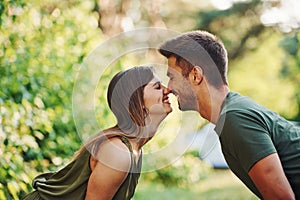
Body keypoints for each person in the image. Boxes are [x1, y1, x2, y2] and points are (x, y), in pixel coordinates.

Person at [158, 30, 300, 199]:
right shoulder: (231, 114)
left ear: (195, 75)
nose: (168, 87)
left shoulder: (235, 119)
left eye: (172, 77)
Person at [22, 66, 172, 200]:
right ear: (137, 101)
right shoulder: (118, 153)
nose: (168, 90)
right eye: (157, 87)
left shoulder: (134, 150)